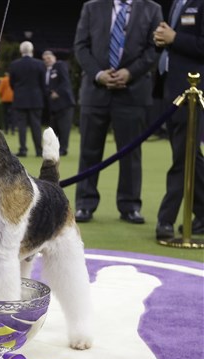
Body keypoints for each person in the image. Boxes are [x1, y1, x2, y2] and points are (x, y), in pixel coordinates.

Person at [73, 0, 162, 224]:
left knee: (131, 154)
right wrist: (98, 74)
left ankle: (130, 206)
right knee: (89, 151)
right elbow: (81, 46)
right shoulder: (91, 7)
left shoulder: (152, 9)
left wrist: (130, 73)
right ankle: (84, 204)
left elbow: (155, 49)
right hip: (95, 91)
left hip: (133, 91)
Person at [154, 0, 204, 239]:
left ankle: (166, 219)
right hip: (175, 92)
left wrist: (174, 38)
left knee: (184, 156)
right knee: (190, 156)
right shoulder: (178, 2)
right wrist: (162, 40)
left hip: (195, 93)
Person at [9, 41, 46, 157]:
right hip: (36, 99)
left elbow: (12, 83)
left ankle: (23, 150)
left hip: (20, 99)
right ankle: (39, 151)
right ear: (32, 50)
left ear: (21, 51)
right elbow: (43, 83)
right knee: (36, 126)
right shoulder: (40, 64)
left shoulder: (14, 64)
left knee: (22, 126)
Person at [42, 50, 75, 156]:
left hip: (64, 104)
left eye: (49, 58)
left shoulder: (60, 66)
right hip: (53, 105)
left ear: (54, 58)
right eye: (45, 59)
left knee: (64, 128)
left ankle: (63, 149)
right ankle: (56, 148)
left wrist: (58, 92)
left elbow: (65, 82)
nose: (47, 60)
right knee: (54, 128)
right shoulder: (46, 71)